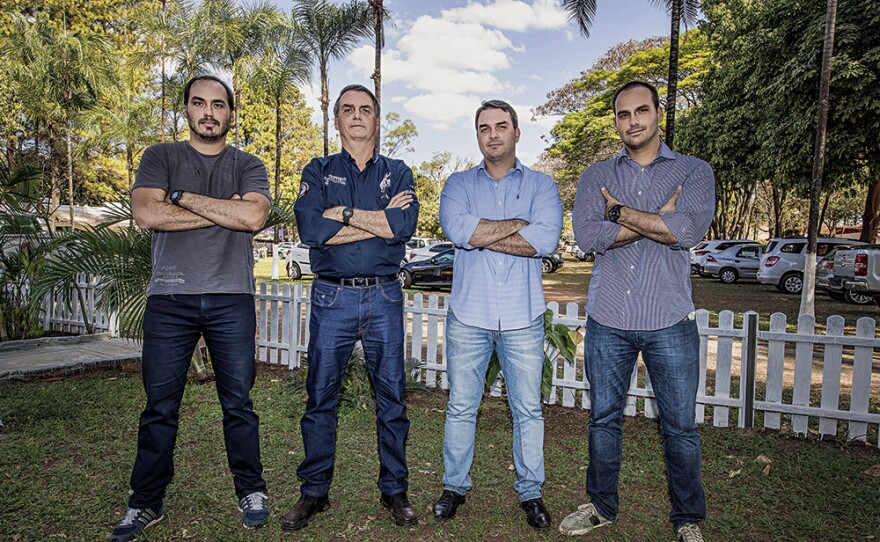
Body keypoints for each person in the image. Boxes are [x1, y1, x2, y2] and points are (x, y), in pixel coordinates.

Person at [109, 75, 272, 542]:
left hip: (231, 298)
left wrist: (178, 197)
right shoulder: (160, 156)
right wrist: (222, 209)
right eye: (199, 103)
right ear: (186, 110)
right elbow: (146, 214)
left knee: (238, 403)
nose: (208, 112)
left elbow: (253, 217)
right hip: (170, 298)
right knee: (160, 406)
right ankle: (145, 502)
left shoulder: (247, 164)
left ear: (230, 114)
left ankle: (251, 490)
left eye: (218, 105)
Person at [559, 81, 715, 542]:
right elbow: (588, 239)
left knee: (680, 428)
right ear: (615, 121)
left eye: (641, 111)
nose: (633, 121)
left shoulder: (694, 170)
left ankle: (688, 519)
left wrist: (618, 212)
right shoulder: (595, 175)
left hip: (669, 318)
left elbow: (686, 231)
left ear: (658, 113)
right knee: (604, 419)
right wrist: (654, 220)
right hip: (609, 319)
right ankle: (601, 506)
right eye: (624, 114)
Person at [283, 84, 419, 531]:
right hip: (332, 295)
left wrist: (340, 215)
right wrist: (375, 221)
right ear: (337, 120)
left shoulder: (398, 172)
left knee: (392, 398)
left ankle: (394, 490)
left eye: (366, 110)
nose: (357, 116)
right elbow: (309, 228)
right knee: (321, 396)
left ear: (377, 121)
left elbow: (402, 226)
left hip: (383, 296)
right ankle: (314, 492)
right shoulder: (318, 170)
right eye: (348, 110)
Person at [433, 100, 562, 530]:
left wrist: (483, 231)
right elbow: (458, 231)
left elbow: (544, 242)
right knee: (461, 407)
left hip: (522, 317)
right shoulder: (457, 183)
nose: (493, 134)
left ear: (517, 133)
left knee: (528, 410)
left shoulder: (543, 186)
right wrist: (517, 223)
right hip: (469, 315)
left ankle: (531, 492)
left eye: (501, 126)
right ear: (477, 135)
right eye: (484, 127)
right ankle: (454, 486)